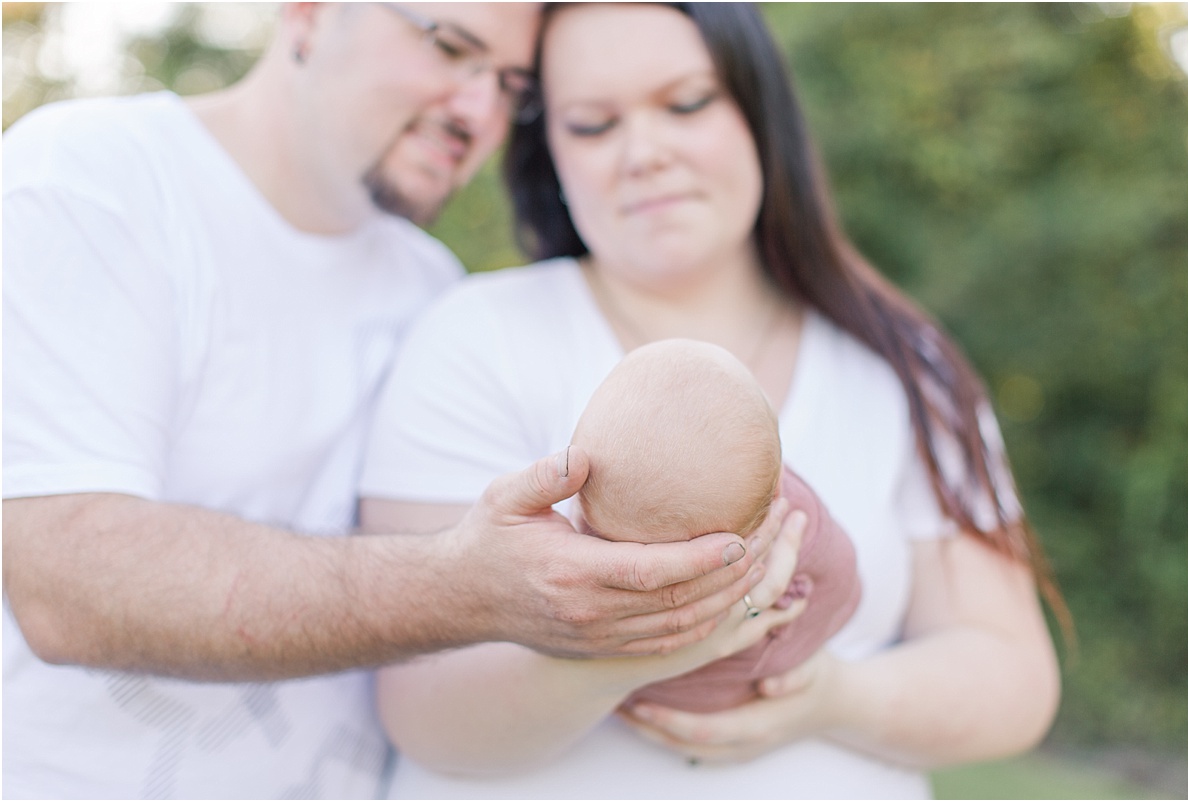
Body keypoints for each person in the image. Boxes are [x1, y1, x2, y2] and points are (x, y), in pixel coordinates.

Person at [1, 4, 795, 798]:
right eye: (450, 47)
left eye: (511, 86)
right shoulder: (90, 177)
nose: (479, 113)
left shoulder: (429, 285)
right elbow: (66, 578)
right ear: (309, 13)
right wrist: (464, 586)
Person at [358, 2, 1063, 798]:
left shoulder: (902, 366)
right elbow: (419, 709)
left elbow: (1013, 676)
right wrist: (629, 652)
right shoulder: (475, 338)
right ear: (549, 152)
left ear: (759, 112)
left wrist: (827, 697)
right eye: (593, 125)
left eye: (688, 104)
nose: (645, 153)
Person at [570, 337, 863, 714]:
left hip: (644, 695)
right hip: (759, 683)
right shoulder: (796, 516)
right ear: (775, 490)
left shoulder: (592, 534)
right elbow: (843, 577)